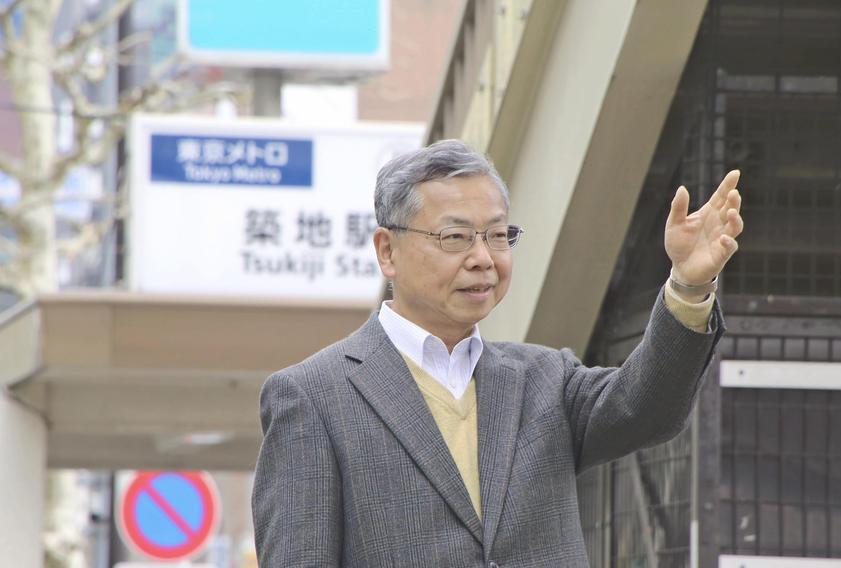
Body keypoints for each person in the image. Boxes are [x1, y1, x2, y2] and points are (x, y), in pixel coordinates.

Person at [252, 139, 743, 567]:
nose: (483, 258)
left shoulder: (546, 379)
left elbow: (647, 409)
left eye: (497, 235)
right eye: (456, 237)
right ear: (387, 251)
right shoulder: (313, 397)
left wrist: (688, 285)